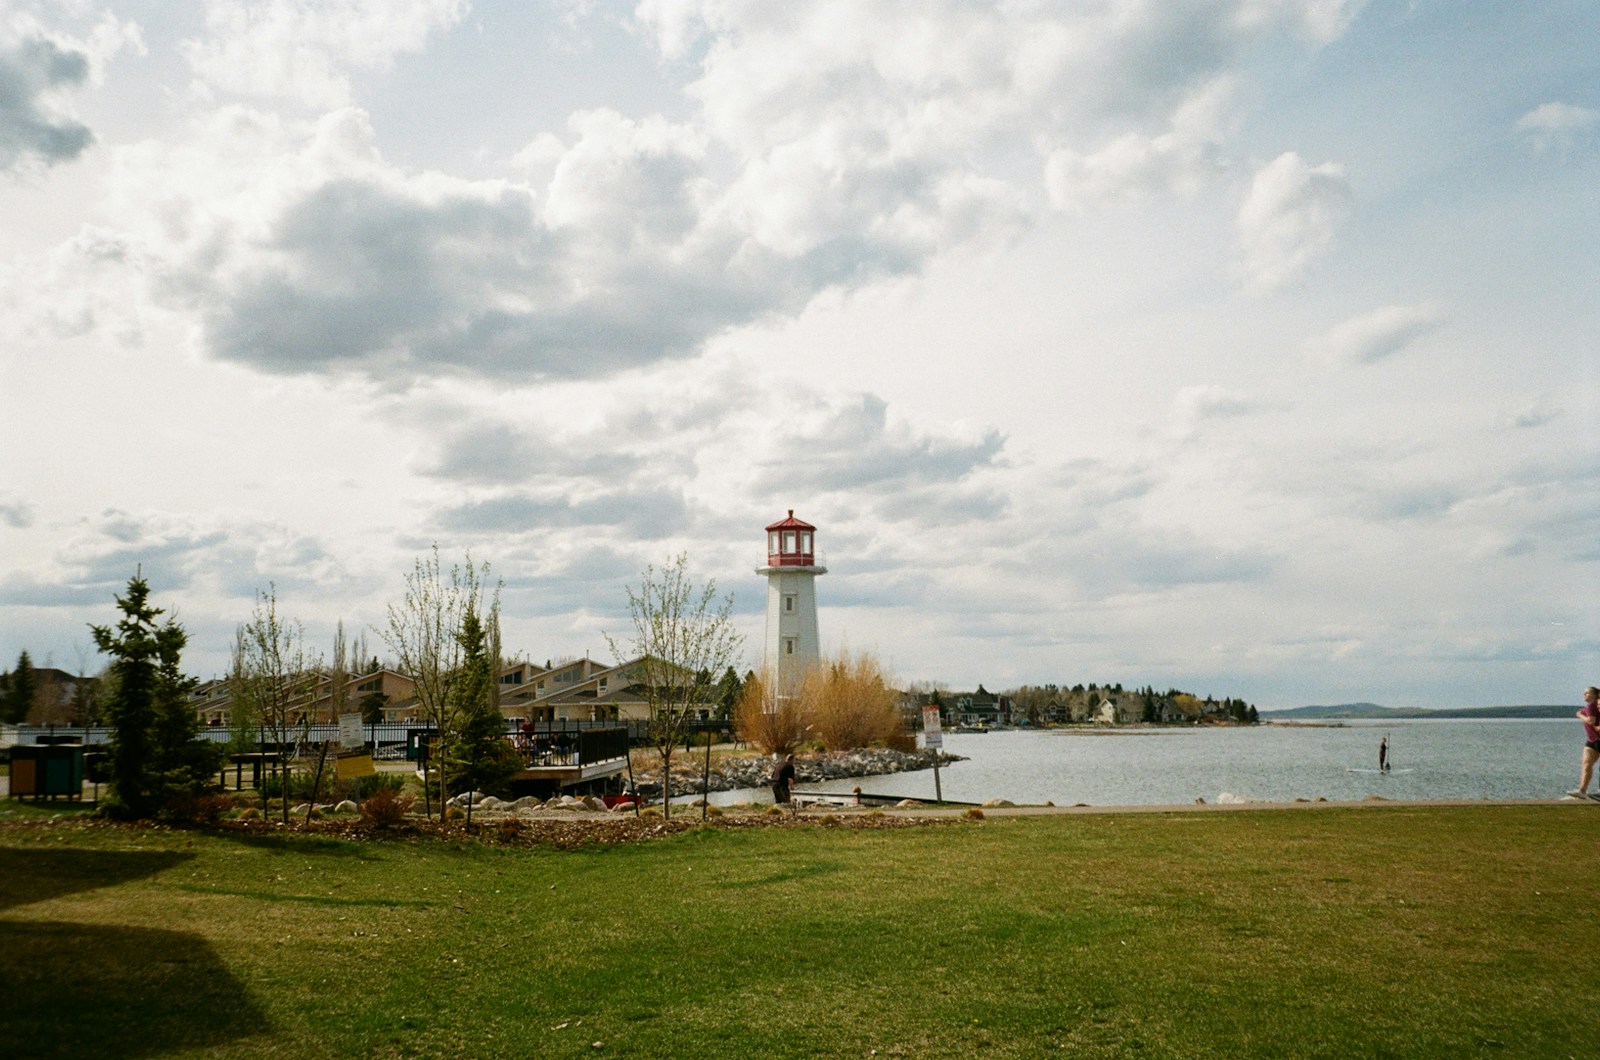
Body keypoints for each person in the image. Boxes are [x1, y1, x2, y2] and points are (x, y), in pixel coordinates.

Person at [1570, 687, 1600, 799]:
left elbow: (1591, 720)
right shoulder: (1590, 706)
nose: (1584, 695)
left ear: (1594, 695)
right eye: (1584, 693)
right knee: (1586, 764)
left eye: (1587, 693)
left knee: (1589, 765)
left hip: (1597, 739)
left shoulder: (1593, 705)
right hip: (1592, 740)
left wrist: (1580, 715)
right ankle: (1582, 791)